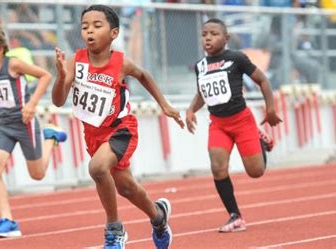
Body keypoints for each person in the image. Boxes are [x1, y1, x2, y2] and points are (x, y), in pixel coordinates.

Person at [52, 5, 184, 249]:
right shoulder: (75, 61)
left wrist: (164, 104)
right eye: (85, 26)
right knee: (126, 187)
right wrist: (61, 77)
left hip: (121, 129)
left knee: (98, 168)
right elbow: (58, 100)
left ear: (113, 33)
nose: (89, 31)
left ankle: (115, 230)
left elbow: (144, 75)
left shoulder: (121, 62)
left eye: (97, 25)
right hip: (93, 134)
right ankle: (158, 216)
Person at [0, 22, 67, 238]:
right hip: (3, 125)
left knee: (38, 174)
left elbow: (45, 76)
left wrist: (32, 104)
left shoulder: (13, 64)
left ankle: (50, 137)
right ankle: (8, 220)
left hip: (24, 123)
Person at [185, 18, 281, 233]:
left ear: (226, 39)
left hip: (242, 121)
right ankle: (235, 216)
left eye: (214, 34)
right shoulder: (200, 66)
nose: (208, 38)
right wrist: (191, 109)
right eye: (204, 34)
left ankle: (259, 138)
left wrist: (271, 109)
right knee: (217, 167)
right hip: (218, 124)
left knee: (256, 172)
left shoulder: (236, 59)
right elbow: (202, 92)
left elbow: (263, 80)